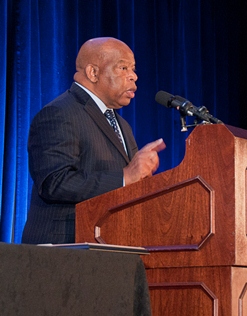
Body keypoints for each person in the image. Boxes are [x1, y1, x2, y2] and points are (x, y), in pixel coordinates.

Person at [22, 37, 166, 244]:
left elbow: (129, 186)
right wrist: (125, 177)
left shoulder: (122, 125)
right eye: (123, 68)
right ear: (93, 73)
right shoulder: (59, 113)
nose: (133, 76)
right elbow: (55, 183)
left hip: (109, 246)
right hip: (63, 250)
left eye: (133, 69)